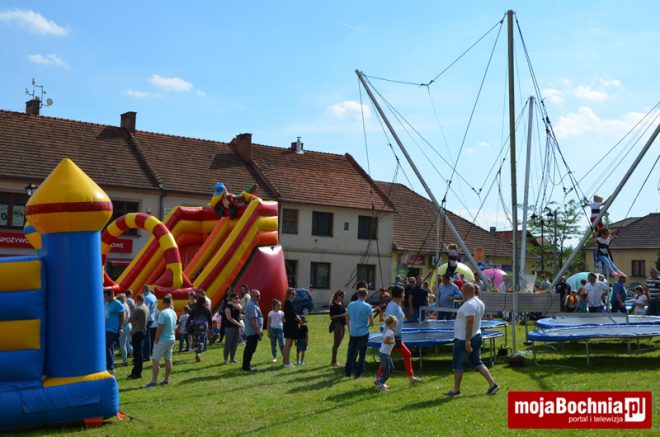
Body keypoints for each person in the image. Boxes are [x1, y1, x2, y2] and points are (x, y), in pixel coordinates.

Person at [444, 283, 499, 397]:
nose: (461, 293)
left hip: (464, 339)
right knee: (477, 362)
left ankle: (456, 390)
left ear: (465, 292)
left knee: (457, 364)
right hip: (477, 335)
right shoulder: (479, 302)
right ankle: (492, 384)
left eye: (462, 291)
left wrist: (467, 341)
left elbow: (470, 321)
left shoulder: (469, 305)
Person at [375, 286, 422, 385]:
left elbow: (396, 318)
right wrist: (391, 337)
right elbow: (389, 322)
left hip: (396, 336)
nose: (404, 295)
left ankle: (410, 377)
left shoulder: (396, 305)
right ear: (399, 295)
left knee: (405, 354)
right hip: (393, 337)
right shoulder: (393, 306)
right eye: (403, 293)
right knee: (388, 357)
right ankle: (379, 379)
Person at [144, 294, 177, 387]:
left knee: (155, 360)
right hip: (171, 338)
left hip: (162, 340)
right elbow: (174, 327)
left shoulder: (163, 313)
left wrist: (156, 339)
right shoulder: (173, 313)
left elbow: (159, 328)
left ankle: (154, 381)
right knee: (168, 360)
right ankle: (166, 379)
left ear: (163, 303)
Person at [345, 288, 373, 378]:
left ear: (357, 295)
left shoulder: (351, 304)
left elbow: (347, 317)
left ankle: (348, 372)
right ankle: (358, 373)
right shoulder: (368, 306)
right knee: (362, 354)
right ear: (366, 295)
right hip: (363, 332)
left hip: (353, 332)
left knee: (351, 353)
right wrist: (368, 326)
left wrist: (349, 327)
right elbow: (371, 321)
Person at [127, 293, 149, 380]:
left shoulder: (139, 309)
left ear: (137, 300)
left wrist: (134, 320)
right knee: (139, 353)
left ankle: (137, 373)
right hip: (143, 331)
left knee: (137, 354)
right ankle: (136, 372)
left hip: (137, 332)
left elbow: (129, 319)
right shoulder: (146, 308)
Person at [104, 289, 126, 374]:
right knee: (111, 347)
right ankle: (111, 365)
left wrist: (120, 327)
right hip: (106, 328)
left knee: (107, 347)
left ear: (111, 295)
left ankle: (110, 368)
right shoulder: (106, 303)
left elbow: (122, 315)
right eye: (104, 296)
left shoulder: (117, 303)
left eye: (106, 296)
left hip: (113, 329)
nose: (105, 298)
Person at [242, 289, 264, 371]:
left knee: (250, 348)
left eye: (259, 296)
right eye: (257, 296)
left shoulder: (254, 303)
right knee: (250, 349)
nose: (259, 297)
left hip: (253, 331)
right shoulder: (251, 305)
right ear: (252, 296)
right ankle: (246, 366)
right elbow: (253, 319)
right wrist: (258, 330)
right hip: (253, 331)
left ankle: (246, 365)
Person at [187, 293, 212, 362]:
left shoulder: (194, 309)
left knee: (196, 339)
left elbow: (190, 318)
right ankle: (199, 353)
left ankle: (197, 353)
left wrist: (187, 325)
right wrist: (211, 328)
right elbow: (210, 320)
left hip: (195, 325)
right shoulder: (207, 310)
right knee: (202, 339)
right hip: (203, 326)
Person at [375, 315, 397, 393]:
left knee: (391, 368)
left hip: (385, 353)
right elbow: (385, 341)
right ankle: (380, 384)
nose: (396, 324)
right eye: (395, 323)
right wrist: (393, 342)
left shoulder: (388, 330)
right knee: (387, 370)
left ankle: (379, 381)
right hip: (384, 354)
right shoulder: (390, 332)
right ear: (391, 324)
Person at [282, 288, 301, 368]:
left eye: (294, 294)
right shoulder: (288, 303)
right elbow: (293, 315)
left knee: (289, 344)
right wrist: (300, 320)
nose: (294, 295)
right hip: (290, 325)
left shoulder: (289, 302)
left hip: (291, 325)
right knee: (288, 344)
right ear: (288, 294)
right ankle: (287, 363)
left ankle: (285, 362)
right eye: (292, 293)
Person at [222, 292, 243, 364]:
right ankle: (225, 359)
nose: (238, 299)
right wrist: (238, 324)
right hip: (229, 327)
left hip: (236, 327)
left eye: (238, 298)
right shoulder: (227, 307)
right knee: (228, 343)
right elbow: (229, 318)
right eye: (236, 298)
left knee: (235, 343)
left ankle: (232, 358)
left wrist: (232, 303)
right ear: (231, 298)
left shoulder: (236, 304)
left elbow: (240, 308)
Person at [329, 289, 347, 367]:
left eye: (343, 297)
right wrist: (342, 315)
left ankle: (334, 360)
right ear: (337, 296)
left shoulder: (342, 303)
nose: (343, 298)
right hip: (337, 325)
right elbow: (331, 317)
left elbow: (345, 313)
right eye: (342, 296)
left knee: (339, 343)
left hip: (343, 325)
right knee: (336, 343)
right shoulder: (333, 305)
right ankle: (334, 361)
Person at [116, 293, 133, 366]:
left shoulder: (122, 306)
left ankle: (125, 361)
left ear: (121, 299)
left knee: (122, 345)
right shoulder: (126, 305)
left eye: (118, 298)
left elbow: (123, 317)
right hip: (128, 325)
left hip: (124, 326)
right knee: (127, 344)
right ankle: (137, 356)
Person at [142, 285, 158, 361]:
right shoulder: (153, 296)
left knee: (146, 337)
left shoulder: (146, 298)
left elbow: (145, 310)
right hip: (152, 318)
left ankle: (146, 355)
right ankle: (148, 353)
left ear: (144, 290)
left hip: (147, 319)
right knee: (148, 337)